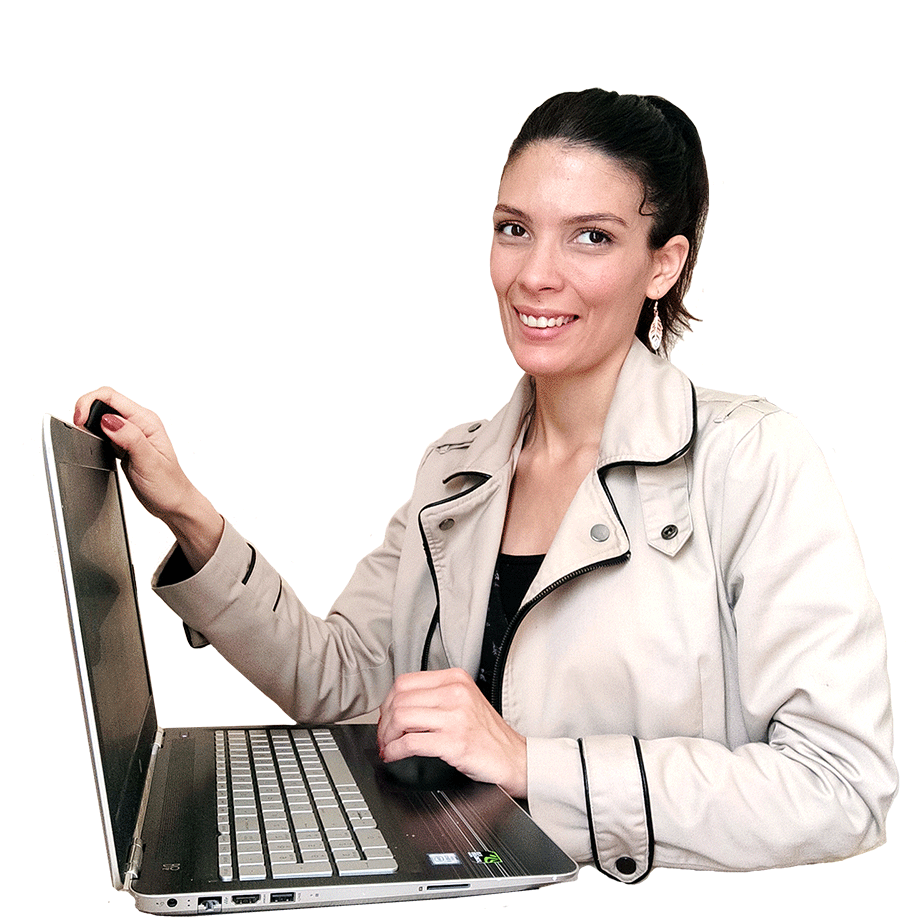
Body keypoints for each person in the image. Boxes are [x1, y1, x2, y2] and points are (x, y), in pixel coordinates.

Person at [73, 90, 897, 883]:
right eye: (515, 229)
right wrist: (188, 512)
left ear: (664, 263)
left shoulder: (752, 458)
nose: (535, 274)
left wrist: (531, 764)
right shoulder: (455, 467)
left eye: (592, 237)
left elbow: (840, 790)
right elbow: (342, 683)